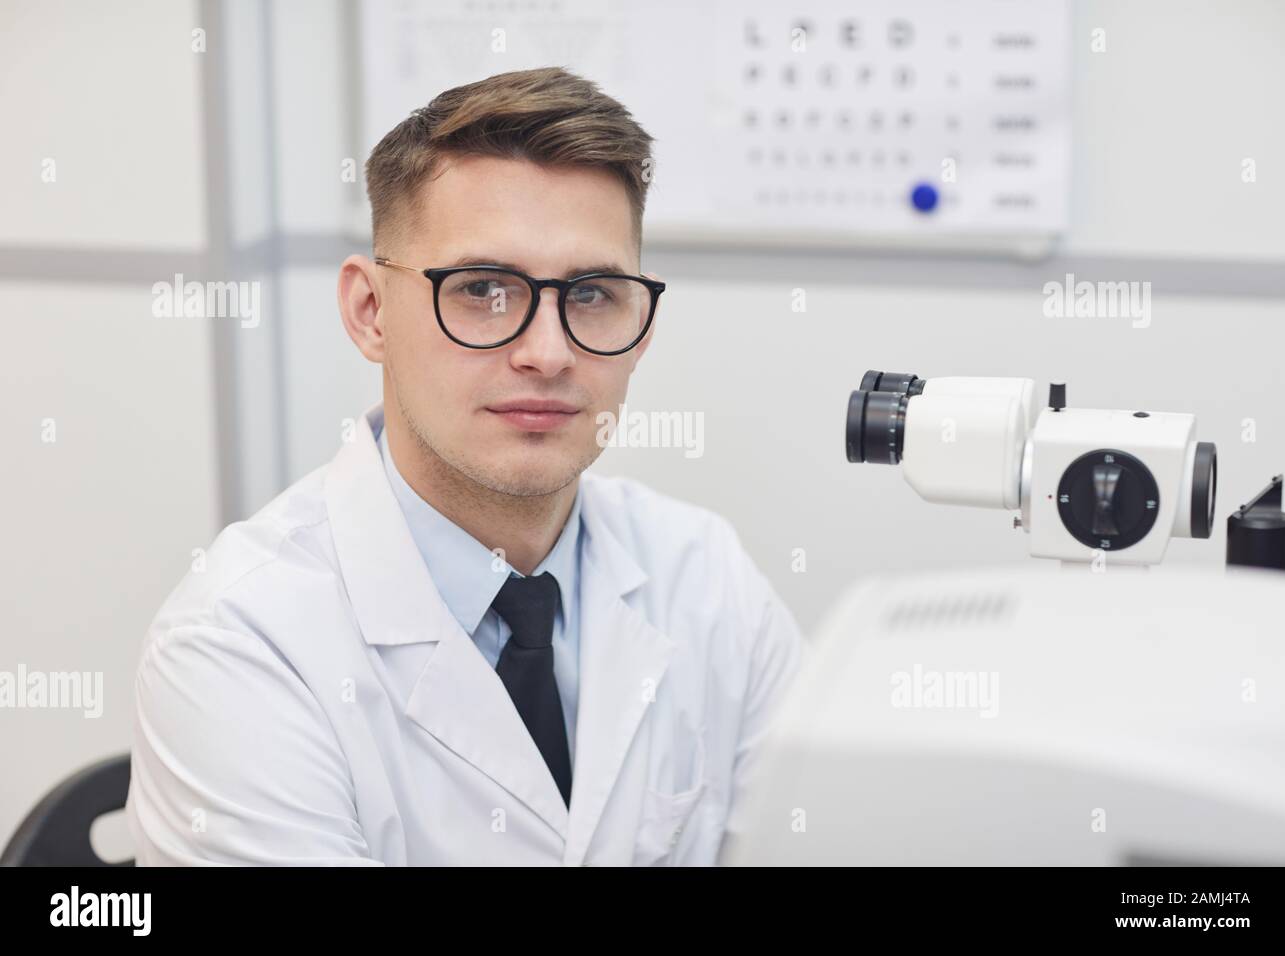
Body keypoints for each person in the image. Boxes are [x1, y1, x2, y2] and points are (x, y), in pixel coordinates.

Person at [126, 66, 804, 865]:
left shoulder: (706, 580)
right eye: (483, 288)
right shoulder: (238, 646)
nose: (547, 353)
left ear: (641, 324)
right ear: (370, 312)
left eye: (592, 294)